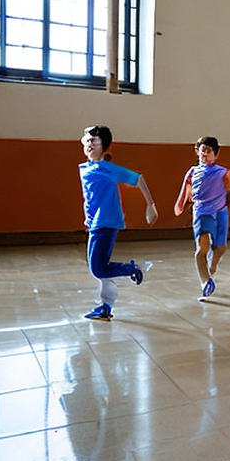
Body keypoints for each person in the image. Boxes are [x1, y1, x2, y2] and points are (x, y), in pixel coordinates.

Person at [78, 125, 158, 320]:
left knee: (98, 268)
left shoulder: (108, 169)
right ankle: (105, 308)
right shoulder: (84, 168)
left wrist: (150, 205)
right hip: (95, 222)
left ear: (103, 146)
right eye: (87, 140)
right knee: (98, 268)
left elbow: (138, 178)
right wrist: (87, 216)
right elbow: (89, 197)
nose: (89, 144)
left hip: (107, 222)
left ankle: (131, 268)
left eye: (94, 141)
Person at [173, 136, 230, 299]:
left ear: (215, 154)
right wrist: (180, 203)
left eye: (208, 150)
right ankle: (205, 282)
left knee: (221, 247)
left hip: (220, 211)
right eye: (202, 150)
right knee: (202, 247)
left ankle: (212, 265)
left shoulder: (223, 172)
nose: (204, 153)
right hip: (202, 211)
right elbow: (185, 188)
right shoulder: (193, 171)